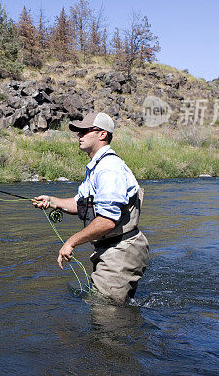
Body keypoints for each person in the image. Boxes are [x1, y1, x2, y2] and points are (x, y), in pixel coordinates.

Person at [33, 111, 149, 303]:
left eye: (84, 131)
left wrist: (71, 242)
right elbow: (81, 204)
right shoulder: (97, 167)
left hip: (121, 249)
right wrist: (52, 200)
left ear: (102, 134)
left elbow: (106, 221)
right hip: (111, 248)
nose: (79, 136)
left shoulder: (109, 168)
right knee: (110, 309)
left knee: (106, 314)